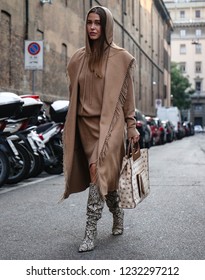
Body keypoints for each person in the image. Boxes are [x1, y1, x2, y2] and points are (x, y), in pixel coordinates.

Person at [62, 6, 140, 252]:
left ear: (107, 27)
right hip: (86, 127)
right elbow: (74, 95)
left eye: (98, 23)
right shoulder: (77, 59)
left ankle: (90, 231)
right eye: (89, 22)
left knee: (97, 170)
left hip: (111, 126)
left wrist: (131, 127)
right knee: (105, 180)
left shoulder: (120, 58)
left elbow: (127, 99)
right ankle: (117, 213)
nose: (93, 27)